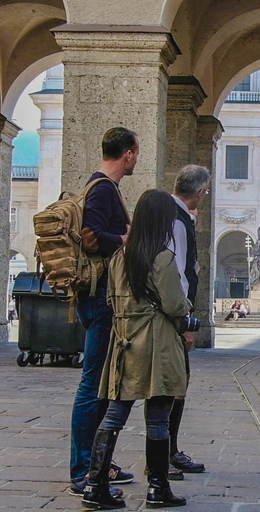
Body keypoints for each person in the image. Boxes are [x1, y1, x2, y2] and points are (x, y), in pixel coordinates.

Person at [80, 190, 190, 510]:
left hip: (124, 340)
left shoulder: (119, 256)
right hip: (156, 340)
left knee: (114, 413)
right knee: (158, 416)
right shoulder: (161, 257)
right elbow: (173, 304)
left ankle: (95, 485)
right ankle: (158, 489)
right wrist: (186, 309)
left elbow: (112, 300)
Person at [69, 127, 135, 497]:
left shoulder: (102, 188)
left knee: (101, 382)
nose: (136, 159)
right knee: (93, 383)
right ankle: (82, 469)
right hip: (98, 297)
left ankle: (99, 463)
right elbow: (91, 236)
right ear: (126, 153)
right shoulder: (104, 188)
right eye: (136, 152)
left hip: (98, 296)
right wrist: (126, 238)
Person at [165, 165, 210, 478]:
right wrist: (185, 323)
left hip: (170, 315)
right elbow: (176, 275)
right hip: (172, 317)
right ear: (200, 192)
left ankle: (168, 452)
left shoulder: (175, 215)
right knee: (173, 385)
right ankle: (165, 457)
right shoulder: (177, 221)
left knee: (176, 384)